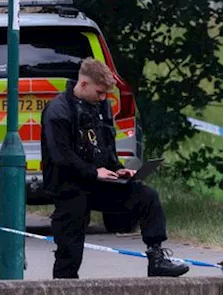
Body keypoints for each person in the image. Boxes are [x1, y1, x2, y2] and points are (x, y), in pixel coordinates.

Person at [39, 58, 190, 279]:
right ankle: (64, 292)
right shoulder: (58, 111)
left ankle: (156, 258)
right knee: (69, 252)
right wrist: (93, 172)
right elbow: (60, 155)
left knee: (147, 197)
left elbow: (104, 147)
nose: (103, 98)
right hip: (69, 186)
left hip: (99, 182)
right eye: (100, 92)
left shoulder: (99, 107)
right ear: (83, 85)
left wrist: (117, 169)